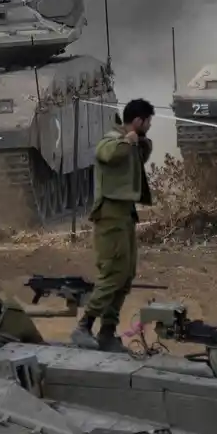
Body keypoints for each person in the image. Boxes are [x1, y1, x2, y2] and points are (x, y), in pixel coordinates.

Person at [71, 99, 154, 352]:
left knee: (125, 276)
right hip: (110, 216)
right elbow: (105, 153)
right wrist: (128, 139)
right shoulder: (112, 138)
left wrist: (138, 141)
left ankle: (107, 332)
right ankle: (83, 327)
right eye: (148, 121)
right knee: (112, 275)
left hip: (125, 215)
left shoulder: (133, 141)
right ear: (138, 121)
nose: (150, 126)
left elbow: (144, 153)